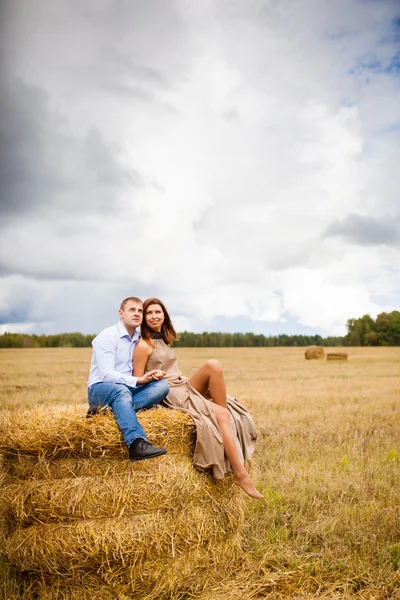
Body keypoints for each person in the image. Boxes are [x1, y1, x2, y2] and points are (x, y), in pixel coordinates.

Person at [133, 298, 263, 499]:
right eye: (149, 313)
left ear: (164, 315)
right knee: (220, 413)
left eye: (157, 312)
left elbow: (169, 366)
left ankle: (220, 418)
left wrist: (181, 376)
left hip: (181, 385)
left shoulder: (163, 339)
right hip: (169, 393)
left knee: (214, 365)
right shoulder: (144, 345)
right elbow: (136, 379)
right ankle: (240, 474)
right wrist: (152, 378)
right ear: (143, 318)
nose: (154, 316)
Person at [87, 296, 169, 461]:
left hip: (126, 389)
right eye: (132, 310)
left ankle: (110, 412)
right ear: (121, 313)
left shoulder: (139, 339)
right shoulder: (107, 336)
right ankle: (136, 443)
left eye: (140, 311)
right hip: (100, 389)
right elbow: (107, 374)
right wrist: (138, 381)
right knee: (121, 391)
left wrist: (151, 376)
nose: (137, 313)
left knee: (162, 386)